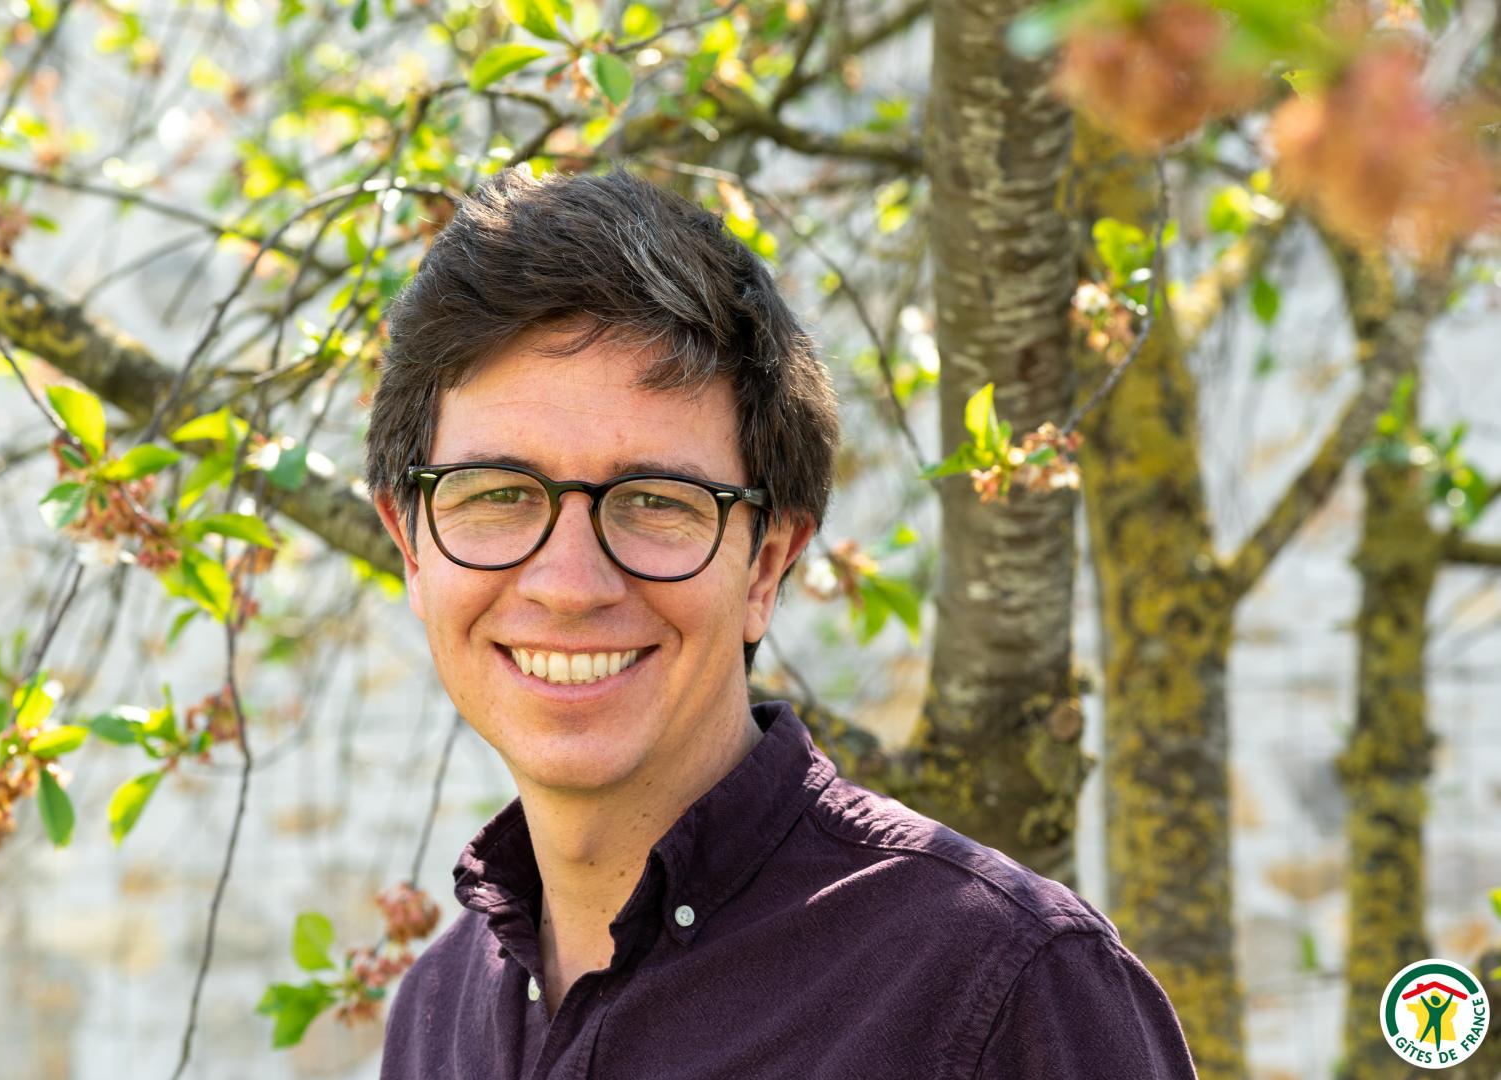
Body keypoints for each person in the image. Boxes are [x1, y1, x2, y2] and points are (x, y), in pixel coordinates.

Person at [363, 163, 1198, 1079]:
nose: (569, 585)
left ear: (765, 564)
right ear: (412, 547)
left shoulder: (1006, 988)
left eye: (655, 501)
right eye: (496, 494)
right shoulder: (435, 1013)